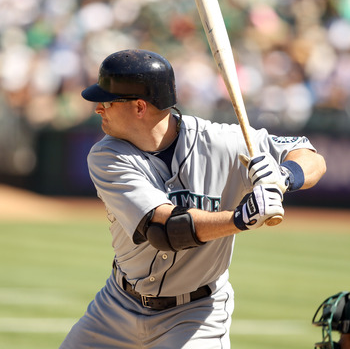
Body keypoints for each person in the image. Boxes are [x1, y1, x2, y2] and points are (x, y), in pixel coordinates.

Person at [60, 49, 326, 349]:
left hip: (196, 314)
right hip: (117, 307)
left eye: (107, 101)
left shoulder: (221, 141)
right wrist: (240, 219)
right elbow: (165, 229)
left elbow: (309, 155)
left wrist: (284, 177)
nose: (98, 109)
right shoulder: (107, 155)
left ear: (138, 107)